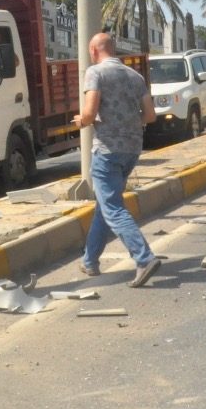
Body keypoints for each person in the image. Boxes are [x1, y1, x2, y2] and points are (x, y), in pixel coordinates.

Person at [73, 32, 163, 287]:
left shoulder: (95, 73)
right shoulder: (135, 76)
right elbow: (150, 115)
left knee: (112, 207)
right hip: (132, 149)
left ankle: (144, 258)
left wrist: (82, 121)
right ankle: (90, 261)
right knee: (106, 204)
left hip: (107, 150)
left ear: (93, 50)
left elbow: (89, 114)